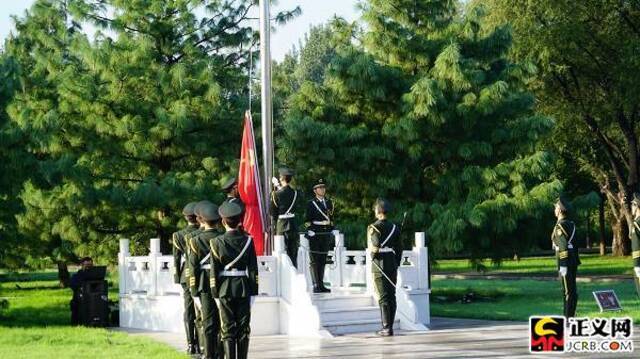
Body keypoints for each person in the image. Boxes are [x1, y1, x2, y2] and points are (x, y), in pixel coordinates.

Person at [210, 201, 258, 359]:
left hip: (224, 289)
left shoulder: (216, 243)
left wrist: (215, 292)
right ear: (239, 221)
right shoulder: (248, 241)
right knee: (244, 329)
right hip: (244, 288)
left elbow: (214, 271)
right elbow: (253, 270)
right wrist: (254, 292)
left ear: (223, 221)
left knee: (227, 329)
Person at [188, 201, 223, 359]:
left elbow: (193, 267)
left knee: (208, 322)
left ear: (201, 219)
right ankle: (221, 353)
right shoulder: (222, 238)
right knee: (222, 322)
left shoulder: (195, 240)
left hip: (203, 283)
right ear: (218, 220)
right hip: (222, 282)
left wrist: (193, 290)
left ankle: (209, 354)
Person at [367, 199, 403, 336]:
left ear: (378, 211)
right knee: (391, 296)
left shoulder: (374, 227)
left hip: (379, 264)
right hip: (392, 263)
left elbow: (375, 245)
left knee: (383, 297)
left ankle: (386, 328)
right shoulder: (395, 227)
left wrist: (371, 254)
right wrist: (396, 263)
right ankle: (390, 327)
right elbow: (399, 249)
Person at [172, 201, 200, 355]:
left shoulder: (178, 235)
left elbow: (176, 259)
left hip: (186, 275)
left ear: (185, 218)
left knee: (188, 310)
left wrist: (177, 277)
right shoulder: (201, 233)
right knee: (201, 310)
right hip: (200, 275)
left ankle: (191, 343)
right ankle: (201, 343)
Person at [551, 197, 581, 318]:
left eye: (556, 207)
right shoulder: (571, 224)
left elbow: (563, 247)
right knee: (572, 289)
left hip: (565, 261)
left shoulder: (560, 226)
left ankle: (568, 317)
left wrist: (563, 264)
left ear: (559, 210)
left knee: (567, 291)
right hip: (573, 259)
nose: (554, 210)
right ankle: (571, 314)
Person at [305, 178, 334, 293]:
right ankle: (316, 284)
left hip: (325, 233)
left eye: (323, 187)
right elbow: (307, 220)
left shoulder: (329, 202)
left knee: (323, 259)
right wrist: (309, 229)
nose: (323, 189)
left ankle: (321, 284)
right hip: (315, 233)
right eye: (320, 188)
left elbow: (331, 219)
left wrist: (333, 229)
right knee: (315, 260)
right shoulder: (311, 204)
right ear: (315, 190)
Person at [270, 167, 301, 267]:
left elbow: (273, 212)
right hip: (293, 225)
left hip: (281, 226)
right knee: (293, 252)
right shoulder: (295, 193)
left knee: (282, 251)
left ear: (281, 178)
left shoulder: (276, 194)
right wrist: (278, 186)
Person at [69, 257, 94, 325]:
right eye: (87, 265)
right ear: (82, 265)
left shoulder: (95, 275)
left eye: (90, 265)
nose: (88, 267)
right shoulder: (76, 276)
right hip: (80, 299)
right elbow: (72, 285)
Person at [629, 194, 640, 298]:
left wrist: (637, 264)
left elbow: (636, 246)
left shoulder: (637, 224)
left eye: (633, 204)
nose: (631, 207)